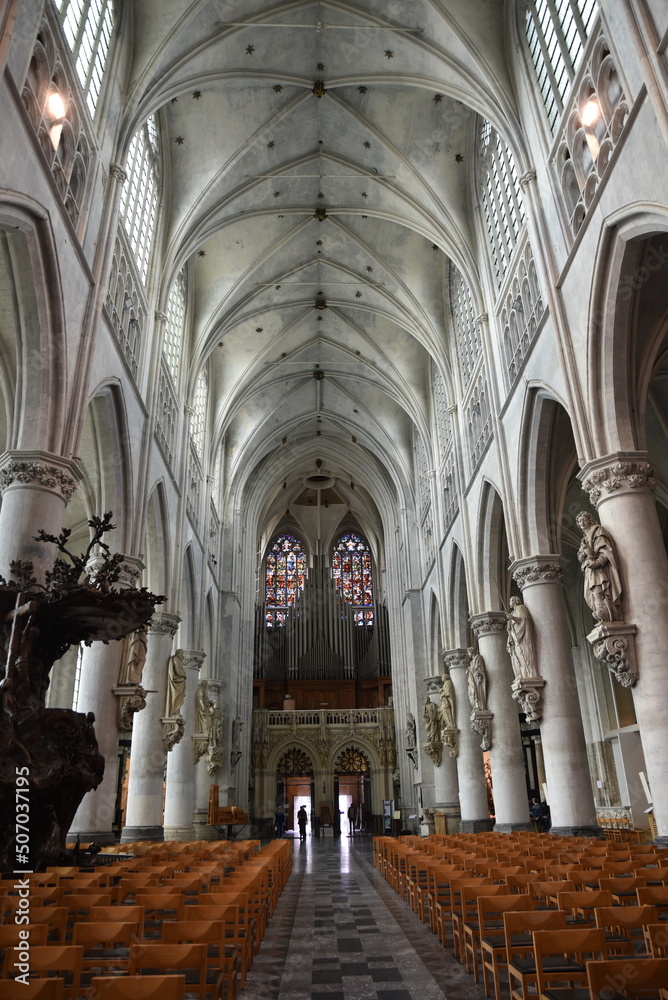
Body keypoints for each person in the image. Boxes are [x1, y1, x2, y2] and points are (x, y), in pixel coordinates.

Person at [576, 511, 624, 622]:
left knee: (601, 592)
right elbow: (580, 555)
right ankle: (604, 617)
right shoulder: (584, 539)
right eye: (579, 521)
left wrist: (597, 562)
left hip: (599, 569)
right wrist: (584, 553)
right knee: (592, 595)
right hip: (590, 570)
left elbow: (606, 550)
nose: (582, 522)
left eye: (584, 519)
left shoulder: (598, 531)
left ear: (590, 520)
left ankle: (610, 615)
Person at [506, 596, 537, 679]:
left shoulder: (520, 608)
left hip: (521, 637)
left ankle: (528, 675)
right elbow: (512, 625)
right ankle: (522, 675)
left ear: (515, 601)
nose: (509, 603)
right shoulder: (513, 612)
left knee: (524, 655)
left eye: (510, 601)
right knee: (517, 657)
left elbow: (524, 620)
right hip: (515, 637)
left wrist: (513, 618)